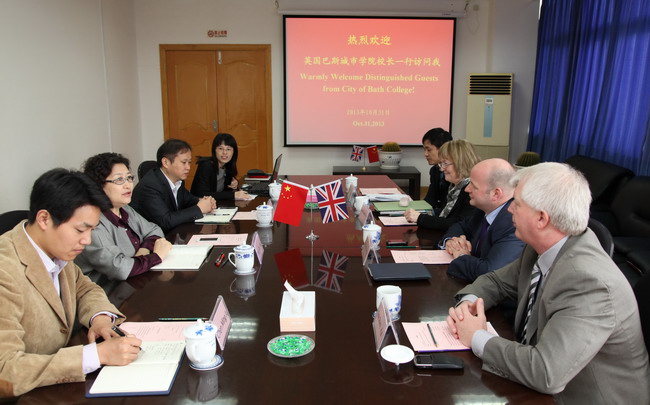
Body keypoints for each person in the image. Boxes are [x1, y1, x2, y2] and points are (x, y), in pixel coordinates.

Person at [446, 163, 650, 404]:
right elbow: (496, 281)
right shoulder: (542, 246)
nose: (509, 209)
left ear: (542, 218)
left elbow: (545, 372)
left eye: (517, 203)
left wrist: (477, 336)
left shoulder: (590, 283)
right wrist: (467, 306)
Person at [0, 169, 142, 397]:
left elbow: (85, 288)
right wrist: (96, 355)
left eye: (92, 230)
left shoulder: (55, 250)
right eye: (80, 230)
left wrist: (100, 318)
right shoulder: (5, 270)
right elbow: (5, 371)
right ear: (44, 219)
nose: (87, 240)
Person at [75, 153, 173, 284]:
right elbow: (120, 268)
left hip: (135, 283)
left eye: (129, 178)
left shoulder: (125, 209)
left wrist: (143, 250)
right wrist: (156, 256)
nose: (128, 185)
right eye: (119, 180)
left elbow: (154, 229)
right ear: (98, 185)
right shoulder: (93, 223)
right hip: (109, 291)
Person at [441, 158, 524, 281]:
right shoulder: (485, 209)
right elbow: (461, 225)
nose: (466, 189)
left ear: (496, 194)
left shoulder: (514, 223)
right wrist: (452, 241)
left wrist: (461, 256)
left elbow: (490, 273)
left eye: (473, 186)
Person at [131, 139, 216, 232]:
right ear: (166, 162)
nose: (188, 167)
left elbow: (188, 200)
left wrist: (205, 201)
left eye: (189, 162)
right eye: (184, 162)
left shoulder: (177, 180)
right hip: (151, 237)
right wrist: (199, 209)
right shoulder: (150, 186)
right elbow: (166, 221)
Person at [405, 139, 480, 230]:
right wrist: (427, 214)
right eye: (441, 164)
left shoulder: (472, 190)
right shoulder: (454, 186)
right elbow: (447, 213)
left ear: (461, 163)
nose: (442, 169)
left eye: (445, 163)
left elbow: (460, 224)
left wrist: (420, 218)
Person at [191, 133, 250, 200]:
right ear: (214, 150)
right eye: (220, 148)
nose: (224, 152)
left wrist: (234, 184)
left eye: (228, 149)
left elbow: (225, 191)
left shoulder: (227, 165)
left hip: (216, 203)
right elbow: (201, 194)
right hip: (199, 204)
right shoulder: (206, 166)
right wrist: (233, 195)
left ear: (234, 152)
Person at [421, 128, 453, 215]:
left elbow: (451, 209)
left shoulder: (456, 173)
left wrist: (427, 214)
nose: (425, 154)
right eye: (424, 150)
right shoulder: (435, 170)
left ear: (443, 148)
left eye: (429, 150)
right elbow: (430, 200)